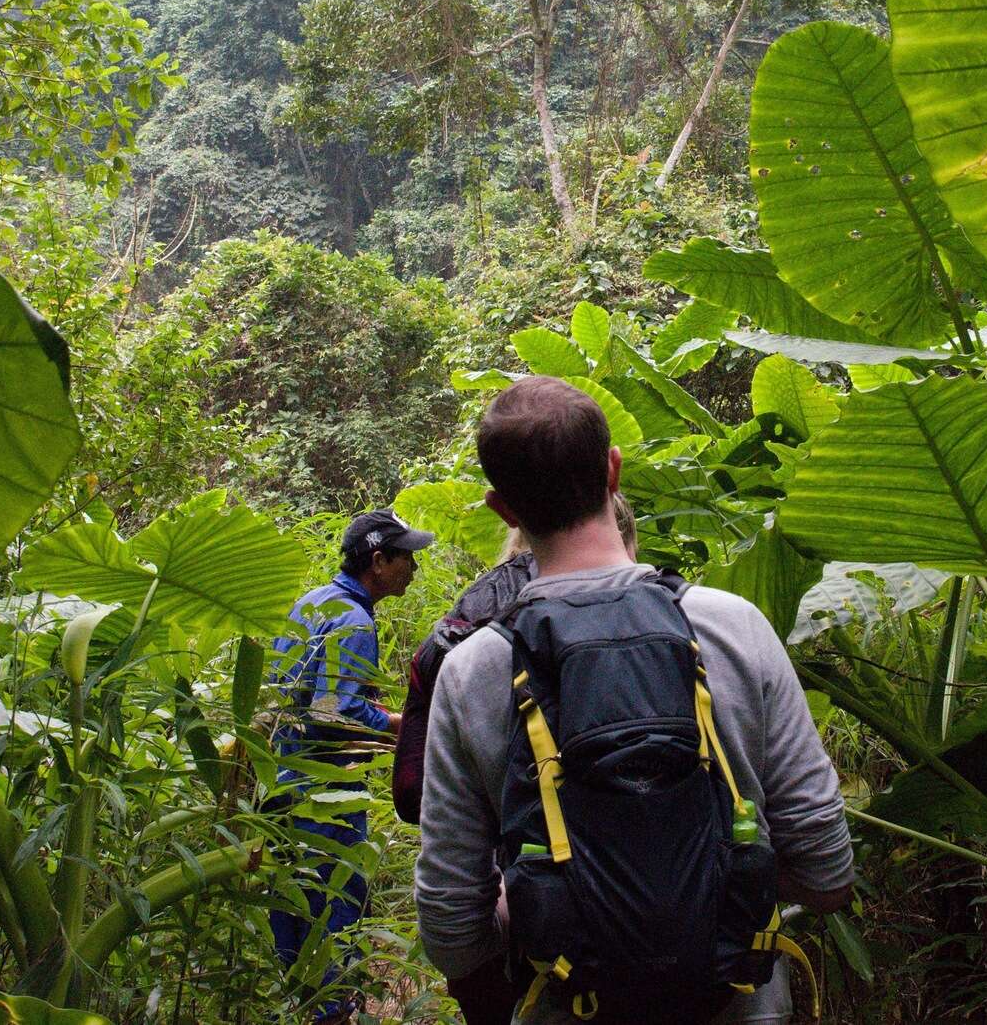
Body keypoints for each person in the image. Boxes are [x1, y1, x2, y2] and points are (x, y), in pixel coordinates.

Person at [416, 377, 854, 1025]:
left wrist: (548, 902)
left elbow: (453, 933)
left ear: (502, 508)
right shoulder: (733, 627)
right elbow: (827, 874)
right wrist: (709, 889)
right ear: (613, 470)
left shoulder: (474, 669)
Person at [395, 494, 639, 1025]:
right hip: (702, 964)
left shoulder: (467, 630)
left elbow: (416, 800)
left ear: (508, 515)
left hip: (544, 946)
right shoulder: (700, 621)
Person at [268, 508, 434, 1023]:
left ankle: (305, 1009)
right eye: (407, 557)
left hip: (277, 787)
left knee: (291, 912)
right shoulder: (355, 621)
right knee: (333, 913)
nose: (413, 568)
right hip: (324, 797)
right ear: (379, 561)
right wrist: (399, 725)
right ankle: (335, 1013)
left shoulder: (311, 604)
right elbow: (332, 712)